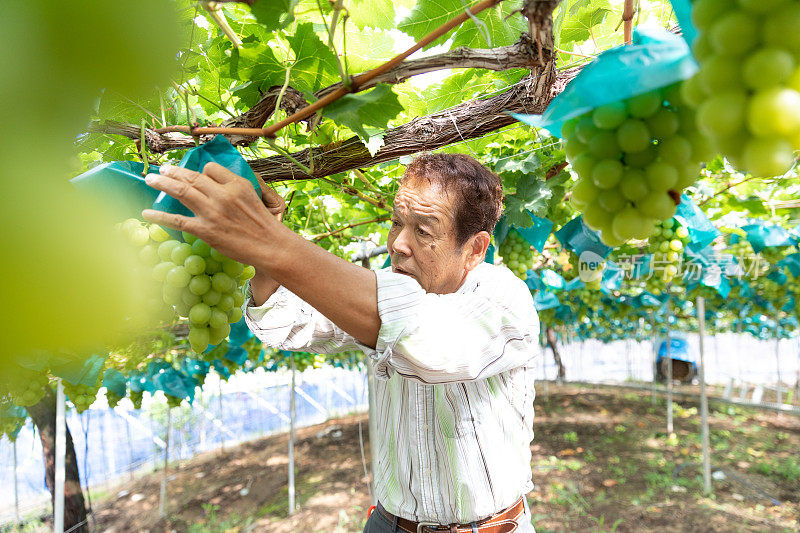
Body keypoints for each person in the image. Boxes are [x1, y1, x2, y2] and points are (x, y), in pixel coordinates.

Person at [143, 151, 540, 533]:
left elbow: (429, 344)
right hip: (388, 524)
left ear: (474, 249)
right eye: (396, 223)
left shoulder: (505, 300)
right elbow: (285, 322)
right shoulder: (377, 295)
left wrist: (270, 242)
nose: (398, 243)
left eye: (423, 230)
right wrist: (267, 249)